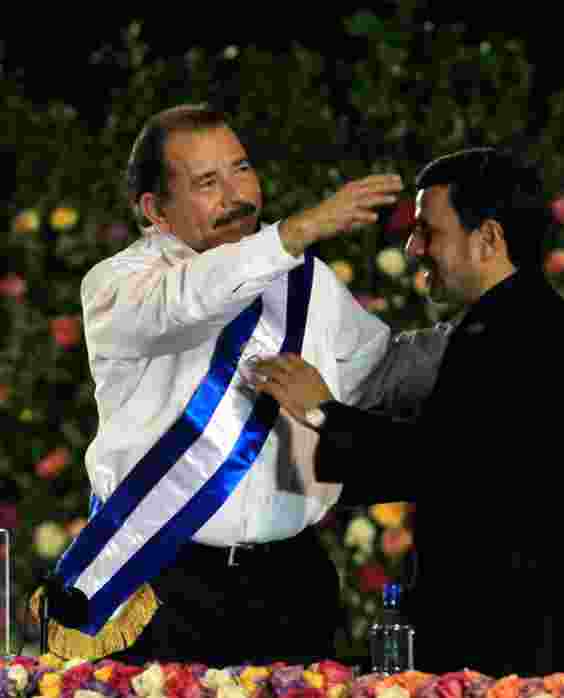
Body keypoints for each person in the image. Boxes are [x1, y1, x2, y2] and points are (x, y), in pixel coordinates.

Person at [42, 104, 412, 667]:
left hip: (293, 581)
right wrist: (297, 232)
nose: (237, 195)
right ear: (155, 209)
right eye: (208, 182)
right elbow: (193, 299)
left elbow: (382, 370)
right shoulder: (122, 285)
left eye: (241, 170)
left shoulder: (307, 282)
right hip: (166, 577)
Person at [249, 147, 564, 678]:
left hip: (513, 654)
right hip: (503, 636)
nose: (414, 246)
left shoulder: (520, 336)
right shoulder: (510, 322)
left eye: (429, 231)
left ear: (487, 238)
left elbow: (436, 462)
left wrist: (324, 412)